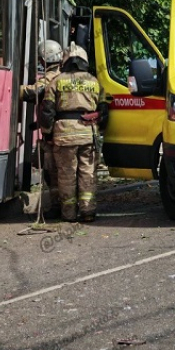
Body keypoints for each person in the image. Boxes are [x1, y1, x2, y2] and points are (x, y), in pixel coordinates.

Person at [39, 43, 108, 223]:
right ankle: (88, 212)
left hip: (63, 136)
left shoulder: (56, 81)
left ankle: (68, 214)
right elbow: (103, 110)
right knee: (87, 173)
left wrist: (47, 134)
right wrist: (99, 130)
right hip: (87, 135)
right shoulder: (94, 81)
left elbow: (47, 111)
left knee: (66, 174)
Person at [20, 40, 63, 218]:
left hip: (54, 133)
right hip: (62, 131)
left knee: (52, 172)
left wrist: (15, 89)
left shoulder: (51, 77)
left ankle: (57, 207)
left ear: (44, 59)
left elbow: (35, 92)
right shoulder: (66, 75)